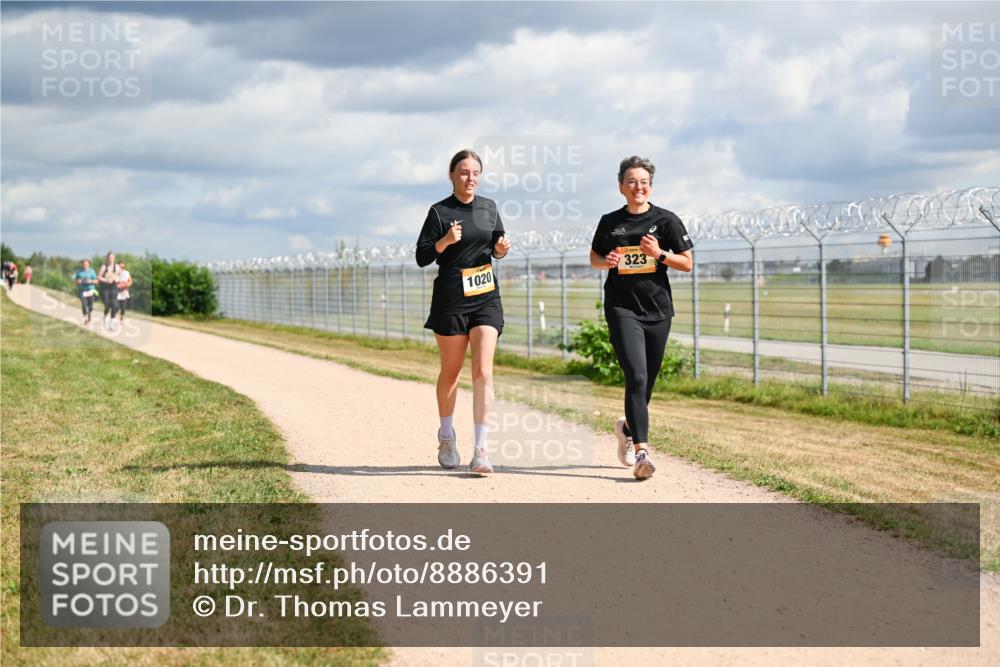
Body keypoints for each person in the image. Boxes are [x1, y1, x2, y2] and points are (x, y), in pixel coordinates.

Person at [589, 156, 693, 480]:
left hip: (658, 310)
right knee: (635, 375)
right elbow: (594, 256)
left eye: (644, 181)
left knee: (646, 381)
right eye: (631, 181)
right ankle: (642, 453)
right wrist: (605, 261)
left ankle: (627, 426)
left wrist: (659, 254)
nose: (638, 186)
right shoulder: (610, 222)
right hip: (622, 307)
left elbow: (687, 263)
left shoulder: (667, 221)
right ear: (621, 186)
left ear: (651, 185)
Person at [416, 149, 511, 474]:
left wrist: (500, 250)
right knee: (452, 373)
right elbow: (423, 256)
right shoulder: (440, 212)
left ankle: (481, 449)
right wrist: (444, 241)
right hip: (452, 297)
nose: (470, 178)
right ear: (452, 176)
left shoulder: (489, 208)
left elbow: (497, 244)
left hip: (485, 294)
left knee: (483, 371)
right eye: (463, 172)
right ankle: (446, 435)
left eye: (475, 173)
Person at [97, 252, 119, 330]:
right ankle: (105, 316)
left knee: (114, 305)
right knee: (107, 305)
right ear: (107, 258)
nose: (111, 259)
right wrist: (106, 280)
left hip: (113, 288)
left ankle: (112, 322)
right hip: (105, 288)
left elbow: (118, 276)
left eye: (112, 257)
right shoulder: (104, 266)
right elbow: (99, 277)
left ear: (114, 258)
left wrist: (116, 279)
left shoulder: (116, 266)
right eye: (109, 257)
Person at [74, 258, 98, 324]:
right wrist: (79, 281)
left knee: (90, 305)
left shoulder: (92, 271)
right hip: (82, 290)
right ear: (82, 264)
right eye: (83, 264)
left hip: (90, 290)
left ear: (88, 264)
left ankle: (89, 314)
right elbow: (76, 281)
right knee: (84, 304)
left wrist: (91, 281)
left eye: (86, 263)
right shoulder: (79, 272)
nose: (85, 265)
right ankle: (85, 318)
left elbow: (96, 281)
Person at [115, 260, 133, 327]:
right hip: (116, 292)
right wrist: (117, 285)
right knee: (116, 306)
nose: (121, 267)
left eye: (122, 266)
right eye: (120, 266)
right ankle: (114, 318)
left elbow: (130, 281)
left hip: (124, 292)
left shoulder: (126, 273)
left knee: (123, 307)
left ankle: (122, 319)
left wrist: (126, 285)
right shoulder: (115, 273)